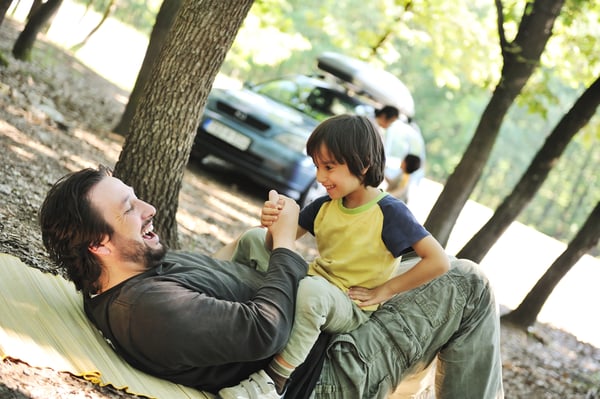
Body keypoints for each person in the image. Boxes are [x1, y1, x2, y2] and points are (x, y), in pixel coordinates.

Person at [39, 166, 504, 399]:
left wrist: (268, 236)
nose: (150, 209)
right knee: (467, 283)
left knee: (423, 274)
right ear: (99, 245)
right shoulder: (143, 310)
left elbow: (229, 280)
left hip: (326, 313)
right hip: (329, 371)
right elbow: (265, 331)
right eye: (129, 209)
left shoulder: (130, 273)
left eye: (137, 198)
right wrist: (283, 247)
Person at [219, 114, 448, 398]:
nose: (319, 176)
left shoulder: (390, 213)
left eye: (329, 166)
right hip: (313, 282)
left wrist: (384, 291)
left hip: (347, 303)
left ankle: (273, 381)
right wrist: (272, 223)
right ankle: (217, 301)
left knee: (312, 292)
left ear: (363, 164)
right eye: (317, 166)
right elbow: (276, 243)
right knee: (252, 238)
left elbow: (438, 261)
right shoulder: (326, 204)